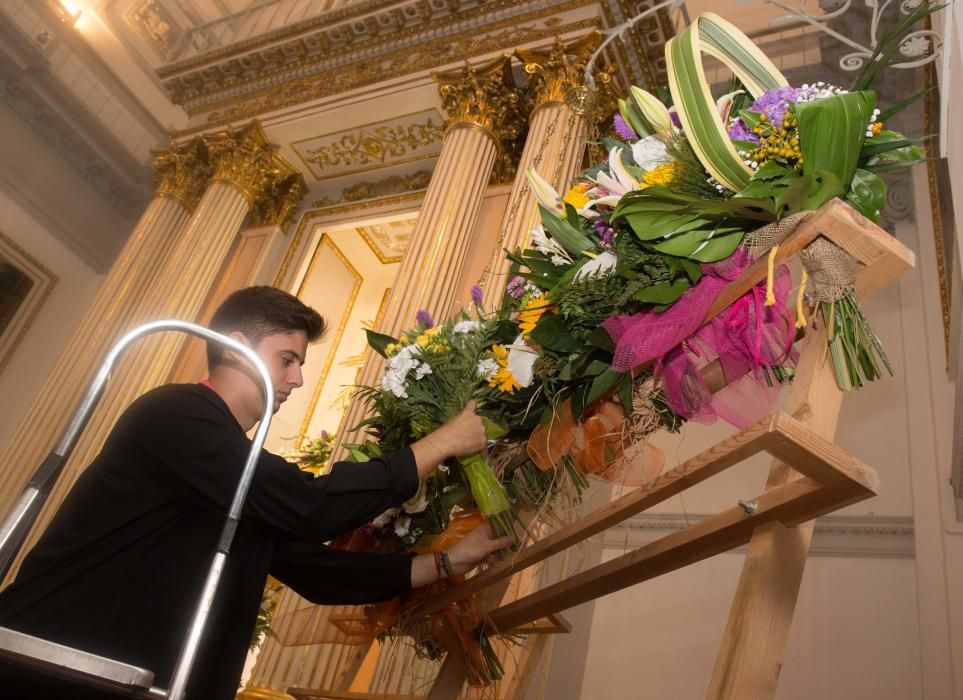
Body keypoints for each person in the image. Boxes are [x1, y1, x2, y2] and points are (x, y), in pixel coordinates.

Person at [0, 286, 511, 699]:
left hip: (110, 675)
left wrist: (447, 563)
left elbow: (314, 569)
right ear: (234, 347)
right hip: (48, 663)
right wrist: (444, 441)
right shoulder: (176, 414)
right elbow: (310, 506)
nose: (298, 379)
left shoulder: (227, 467)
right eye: (287, 359)